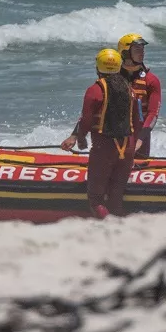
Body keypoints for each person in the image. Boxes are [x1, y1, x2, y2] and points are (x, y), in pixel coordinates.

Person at [61, 48, 141, 219]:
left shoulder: (95, 91)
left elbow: (87, 120)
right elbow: (136, 121)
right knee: (116, 198)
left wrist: (77, 137)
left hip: (104, 148)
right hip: (127, 147)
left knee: (96, 199)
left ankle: (106, 229)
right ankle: (121, 227)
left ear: (98, 67)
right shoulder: (130, 90)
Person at [117, 32, 161, 159]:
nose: (142, 52)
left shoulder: (151, 80)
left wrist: (141, 139)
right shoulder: (113, 79)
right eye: (137, 49)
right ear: (125, 52)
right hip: (115, 135)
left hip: (140, 136)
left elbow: (153, 114)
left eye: (143, 49)